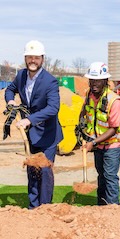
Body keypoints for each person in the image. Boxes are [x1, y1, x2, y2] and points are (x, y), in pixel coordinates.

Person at [4, 40, 63, 209]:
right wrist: (10, 101)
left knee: (44, 171)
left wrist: (29, 119)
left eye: (36, 57)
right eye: (29, 57)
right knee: (32, 169)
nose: (32, 61)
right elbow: (10, 89)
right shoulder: (21, 75)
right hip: (30, 134)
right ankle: (33, 207)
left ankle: (44, 208)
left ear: (42, 59)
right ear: (25, 58)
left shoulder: (50, 81)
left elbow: (53, 108)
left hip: (47, 134)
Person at [80, 62, 120, 205]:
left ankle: (113, 208)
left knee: (110, 175)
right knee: (101, 175)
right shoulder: (89, 94)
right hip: (98, 143)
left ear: (105, 81)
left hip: (114, 143)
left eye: (98, 80)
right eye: (92, 80)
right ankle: (101, 206)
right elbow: (84, 111)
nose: (94, 84)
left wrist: (92, 143)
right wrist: (81, 127)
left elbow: (113, 128)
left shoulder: (114, 101)